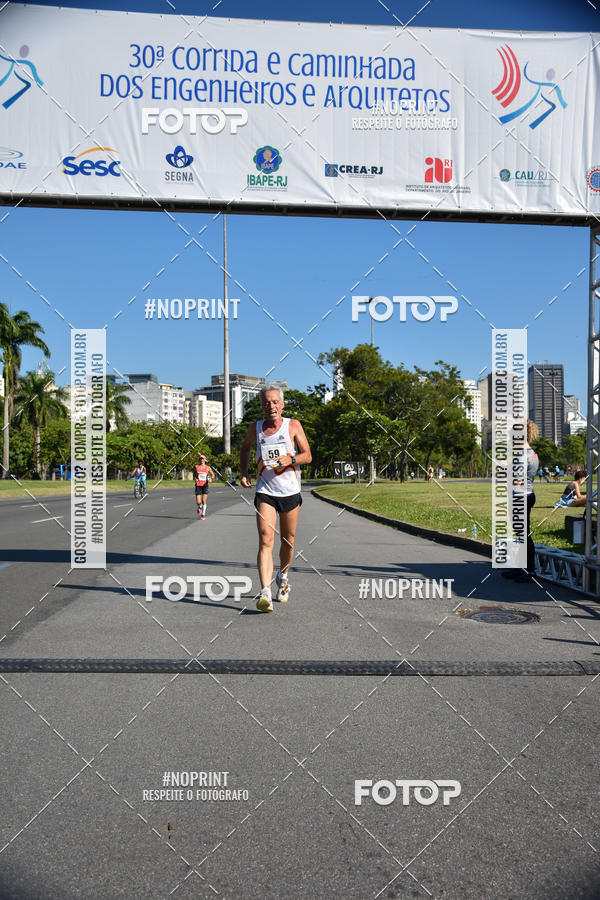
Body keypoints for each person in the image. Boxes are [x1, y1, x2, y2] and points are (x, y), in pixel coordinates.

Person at [240, 385, 312, 612]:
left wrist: (290, 460)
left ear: (281, 404)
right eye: (266, 403)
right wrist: (244, 473)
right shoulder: (256, 428)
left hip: (290, 492)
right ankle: (265, 593)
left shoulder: (293, 425)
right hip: (266, 492)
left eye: (274, 402)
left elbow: (308, 456)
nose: (270, 406)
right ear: (261, 406)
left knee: (288, 541)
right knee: (265, 539)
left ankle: (283, 575)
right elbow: (244, 449)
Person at [502, 420, 539, 583]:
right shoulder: (532, 453)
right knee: (522, 534)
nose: (510, 440)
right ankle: (520, 567)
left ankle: (529, 570)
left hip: (520, 497)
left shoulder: (521, 457)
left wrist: (505, 470)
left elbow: (516, 481)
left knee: (523, 535)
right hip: (528, 494)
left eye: (512, 437)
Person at [193, 454, 215, 519]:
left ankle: (203, 514)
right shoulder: (196, 467)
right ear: (199, 460)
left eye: (203, 459)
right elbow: (194, 474)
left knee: (204, 500)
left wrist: (211, 478)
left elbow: (213, 474)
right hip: (198, 485)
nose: (201, 460)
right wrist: (195, 479)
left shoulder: (208, 468)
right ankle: (200, 506)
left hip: (205, 485)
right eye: (200, 459)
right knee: (198, 502)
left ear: (205, 460)